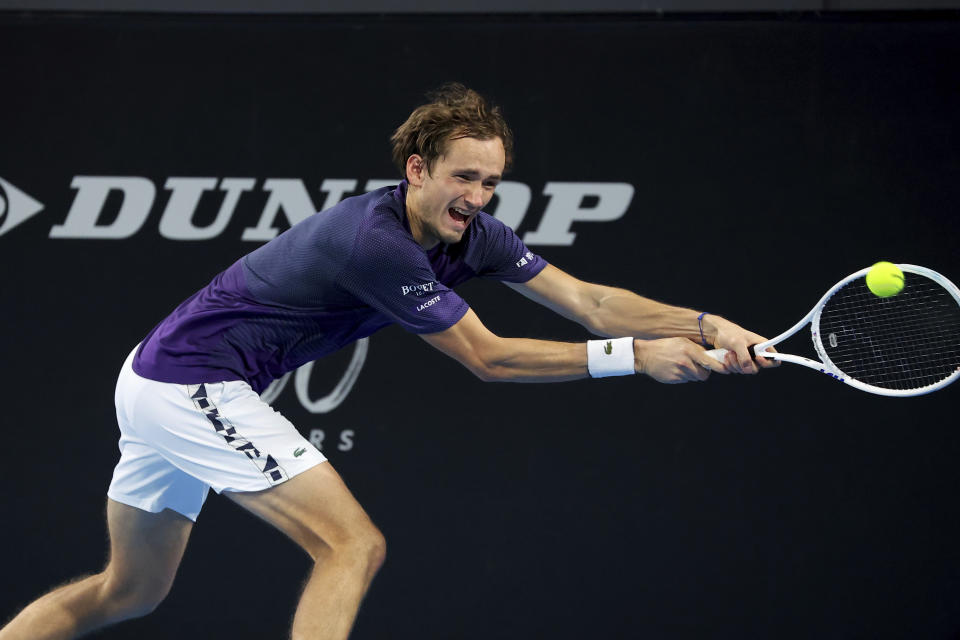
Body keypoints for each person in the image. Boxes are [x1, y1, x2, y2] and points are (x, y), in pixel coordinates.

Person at [0, 83, 775, 640]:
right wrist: (637, 359)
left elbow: (592, 302)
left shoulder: (475, 233)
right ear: (417, 169)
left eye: (490, 182)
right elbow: (490, 359)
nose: (476, 195)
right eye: (462, 177)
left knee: (127, 591)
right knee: (352, 544)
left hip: (153, 375)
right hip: (188, 384)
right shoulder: (373, 243)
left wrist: (706, 324)